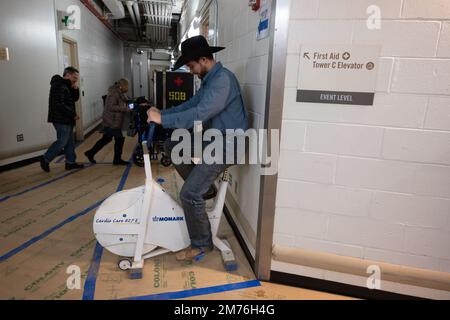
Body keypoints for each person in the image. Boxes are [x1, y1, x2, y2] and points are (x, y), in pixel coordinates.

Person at [147, 35, 248, 262]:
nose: (191, 71)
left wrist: (162, 120)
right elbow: (191, 105)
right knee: (173, 144)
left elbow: (200, 114)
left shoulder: (222, 80)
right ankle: (206, 189)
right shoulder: (210, 80)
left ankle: (202, 244)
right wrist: (162, 114)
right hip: (215, 139)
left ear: (204, 59)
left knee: (189, 194)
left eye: (192, 66)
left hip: (228, 144)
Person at [40, 66, 84, 172]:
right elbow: (59, 104)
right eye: (74, 77)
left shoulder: (67, 85)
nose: (75, 80)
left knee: (70, 142)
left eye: (76, 78)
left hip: (66, 118)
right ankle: (45, 159)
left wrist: (75, 89)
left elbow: (73, 99)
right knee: (62, 142)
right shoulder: (58, 85)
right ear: (67, 74)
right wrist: (72, 114)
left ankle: (70, 163)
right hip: (60, 119)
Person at [84, 79, 132, 165]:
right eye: (127, 85)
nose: (127, 87)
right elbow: (111, 107)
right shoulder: (114, 93)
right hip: (111, 121)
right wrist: (126, 109)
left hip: (113, 120)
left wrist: (131, 102)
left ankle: (90, 153)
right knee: (119, 139)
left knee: (106, 138)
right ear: (122, 85)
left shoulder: (119, 92)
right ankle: (117, 160)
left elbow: (124, 100)